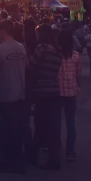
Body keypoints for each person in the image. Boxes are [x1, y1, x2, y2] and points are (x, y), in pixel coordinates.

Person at [0, 19, 27, 173]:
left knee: (5, 127)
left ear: (3, 31)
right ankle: (18, 158)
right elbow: (26, 67)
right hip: (20, 92)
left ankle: (6, 159)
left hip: (6, 93)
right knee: (17, 127)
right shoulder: (21, 47)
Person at [28, 24, 62, 170]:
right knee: (52, 127)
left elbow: (31, 65)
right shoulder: (56, 49)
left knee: (40, 125)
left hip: (42, 91)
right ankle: (54, 159)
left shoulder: (42, 48)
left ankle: (33, 156)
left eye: (37, 34)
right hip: (54, 91)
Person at [58, 28, 81, 162]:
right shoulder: (76, 56)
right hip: (71, 92)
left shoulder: (56, 55)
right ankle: (70, 151)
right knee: (70, 123)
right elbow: (78, 74)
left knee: (56, 121)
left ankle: (54, 146)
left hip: (58, 92)